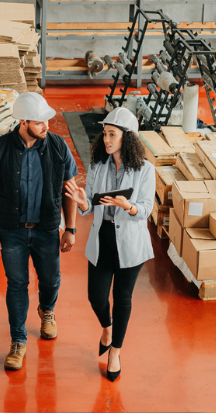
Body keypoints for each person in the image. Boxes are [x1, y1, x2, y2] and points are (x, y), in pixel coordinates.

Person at [0, 92, 79, 371]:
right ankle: (18, 341)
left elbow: (69, 188)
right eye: (39, 122)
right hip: (12, 231)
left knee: (50, 280)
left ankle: (47, 310)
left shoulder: (58, 146)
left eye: (47, 120)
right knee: (17, 284)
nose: (47, 126)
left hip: (47, 229)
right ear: (23, 122)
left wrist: (70, 228)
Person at [63, 107, 154, 382]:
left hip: (131, 242)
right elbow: (91, 203)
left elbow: (146, 208)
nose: (106, 139)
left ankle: (115, 352)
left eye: (112, 134)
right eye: (105, 134)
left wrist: (128, 206)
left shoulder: (145, 169)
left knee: (122, 299)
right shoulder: (97, 165)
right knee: (96, 296)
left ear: (128, 137)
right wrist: (83, 203)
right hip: (103, 237)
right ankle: (107, 327)